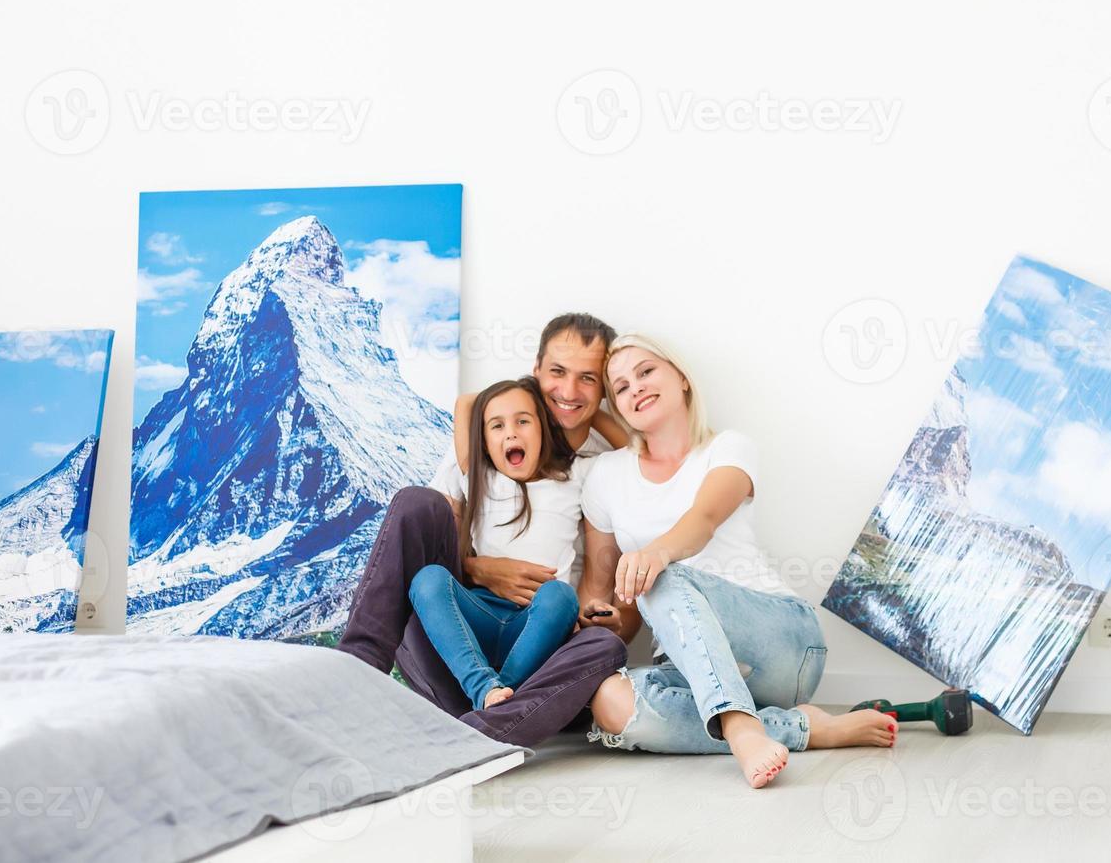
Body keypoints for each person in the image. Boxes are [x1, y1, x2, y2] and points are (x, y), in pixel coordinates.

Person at [577, 334, 899, 788]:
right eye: (622, 387)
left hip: (781, 644)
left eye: (646, 371)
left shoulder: (728, 448)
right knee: (610, 703)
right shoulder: (606, 476)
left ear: (681, 378)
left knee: (661, 575)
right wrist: (605, 616)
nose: (636, 388)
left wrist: (654, 555)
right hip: (689, 662)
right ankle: (803, 728)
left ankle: (743, 726)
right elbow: (611, 593)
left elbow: (704, 518)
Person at [339, 313, 629, 747]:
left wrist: (592, 615)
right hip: (458, 638)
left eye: (588, 378)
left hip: (539, 648)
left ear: (604, 388)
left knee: (603, 644)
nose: (569, 391)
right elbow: (470, 407)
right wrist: (477, 568)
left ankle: (489, 718)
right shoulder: (485, 463)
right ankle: (358, 669)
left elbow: (636, 450)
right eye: (557, 373)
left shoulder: (595, 468)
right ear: (536, 373)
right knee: (417, 508)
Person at [411, 377, 588, 710]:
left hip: (536, 624)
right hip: (480, 614)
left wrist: (559, 399)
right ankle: (483, 688)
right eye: (497, 426)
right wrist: (526, 390)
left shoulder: (575, 476)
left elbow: (633, 448)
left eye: (523, 421)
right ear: (485, 442)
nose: (511, 433)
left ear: (544, 427)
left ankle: (501, 697)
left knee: (561, 595)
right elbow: (465, 403)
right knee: (428, 579)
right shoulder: (480, 476)